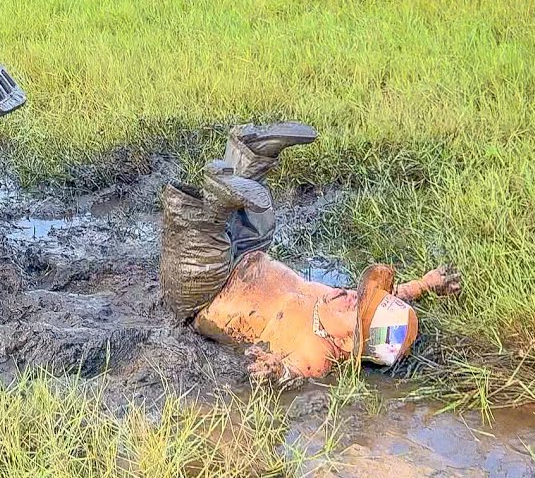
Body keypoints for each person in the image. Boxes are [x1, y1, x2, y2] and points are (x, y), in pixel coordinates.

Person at [159, 122, 462, 383]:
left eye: (358, 308)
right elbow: (398, 294)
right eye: (363, 295)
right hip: (249, 256)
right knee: (258, 217)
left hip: (205, 295)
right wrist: (428, 283)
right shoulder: (343, 304)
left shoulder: (317, 355)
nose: (352, 296)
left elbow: (291, 374)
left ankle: (218, 198)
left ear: (348, 341)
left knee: (198, 234)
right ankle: (252, 153)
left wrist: (274, 368)